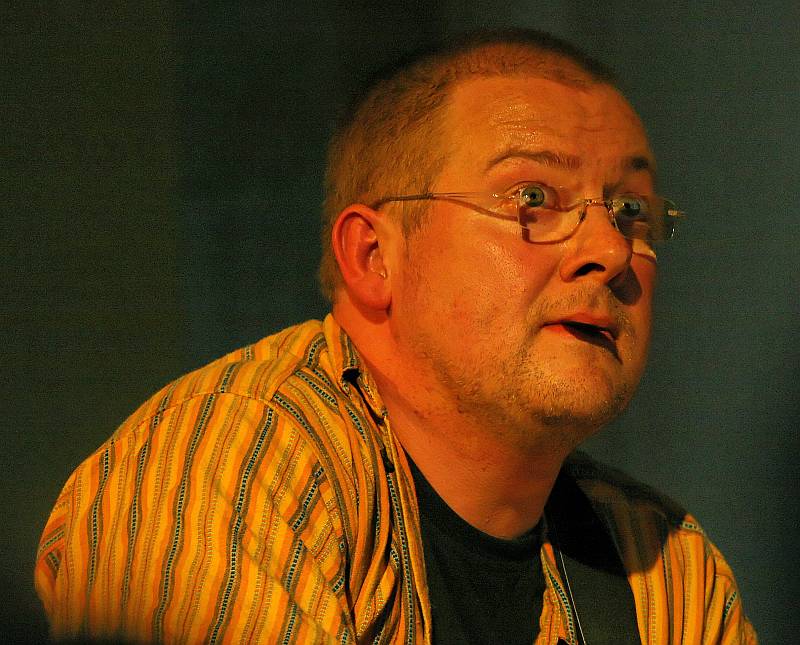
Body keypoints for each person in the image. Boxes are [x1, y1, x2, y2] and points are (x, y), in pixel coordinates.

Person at [35, 29, 756, 644]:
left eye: (631, 209)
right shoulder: (237, 464)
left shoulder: (665, 568)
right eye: (532, 198)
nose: (611, 248)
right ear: (374, 256)